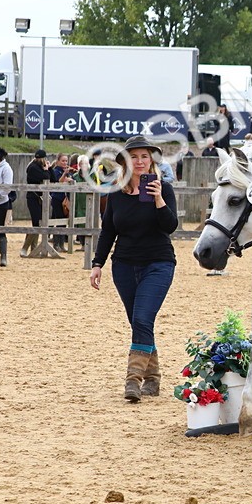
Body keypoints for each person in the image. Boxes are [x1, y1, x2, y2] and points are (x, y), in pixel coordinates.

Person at [89, 135, 179, 403]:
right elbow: (108, 231)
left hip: (159, 263)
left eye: (144, 156)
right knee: (140, 323)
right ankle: (153, 378)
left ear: (151, 160)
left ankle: (133, 381)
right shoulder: (115, 193)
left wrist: (159, 200)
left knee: (141, 319)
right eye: (134, 156)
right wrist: (97, 264)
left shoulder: (164, 189)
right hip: (124, 265)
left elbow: (170, 226)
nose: (139, 161)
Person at [23, 149, 51, 257]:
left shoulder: (39, 167)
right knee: (36, 223)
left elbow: (51, 178)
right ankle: (25, 248)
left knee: (38, 222)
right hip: (33, 197)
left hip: (39, 197)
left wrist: (48, 169)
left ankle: (33, 248)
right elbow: (45, 177)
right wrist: (46, 170)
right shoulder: (33, 168)